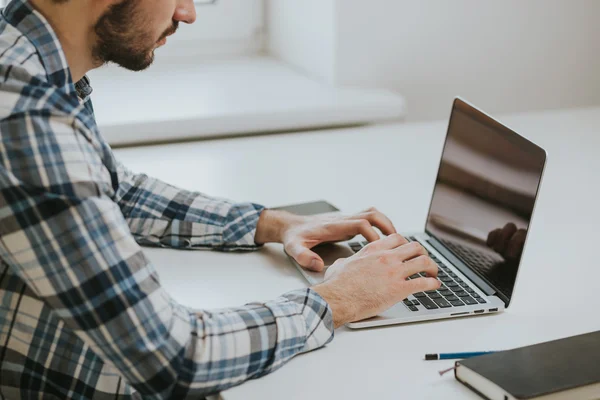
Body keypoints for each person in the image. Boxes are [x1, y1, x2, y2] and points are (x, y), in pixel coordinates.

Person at [0, 0, 440, 398]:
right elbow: (174, 357)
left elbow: (114, 190)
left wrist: (275, 224)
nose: (188, 13)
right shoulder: (28, 121)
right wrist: (340, 299)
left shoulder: (24, 61)